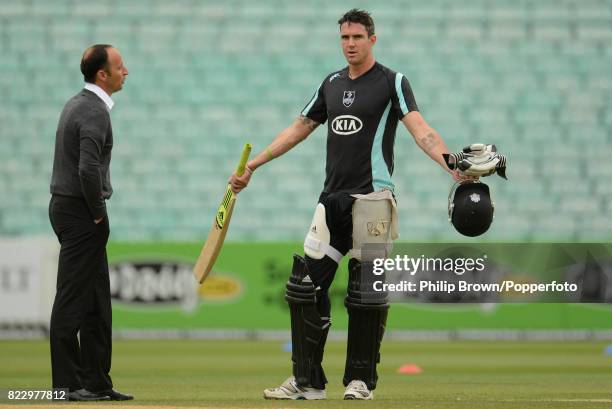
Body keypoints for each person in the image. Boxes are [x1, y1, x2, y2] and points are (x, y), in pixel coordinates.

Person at [230, 9, 470, 400]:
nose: (350, 44)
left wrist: (452, 166)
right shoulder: (331, 82)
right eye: (344, 38)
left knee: (366, 294)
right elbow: (299, 128)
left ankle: (360, 381)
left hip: (374, 200)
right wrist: (255, 164)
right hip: (332, 200)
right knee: (304, 286)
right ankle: (307, 382)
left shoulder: (393, 81)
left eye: (357, 37)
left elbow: (421, 131)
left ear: (372, 39)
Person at [48, 44, 132, 401]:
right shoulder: (95, 111)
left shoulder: (77, 103)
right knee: (73, 298)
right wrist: (98, 211)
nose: (125, 71)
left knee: (97, 299)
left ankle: (96, 381)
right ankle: (65, 386)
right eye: (119, 66)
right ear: (103, 75)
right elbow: (87, 168)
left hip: (71, 207)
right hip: (81, 211)